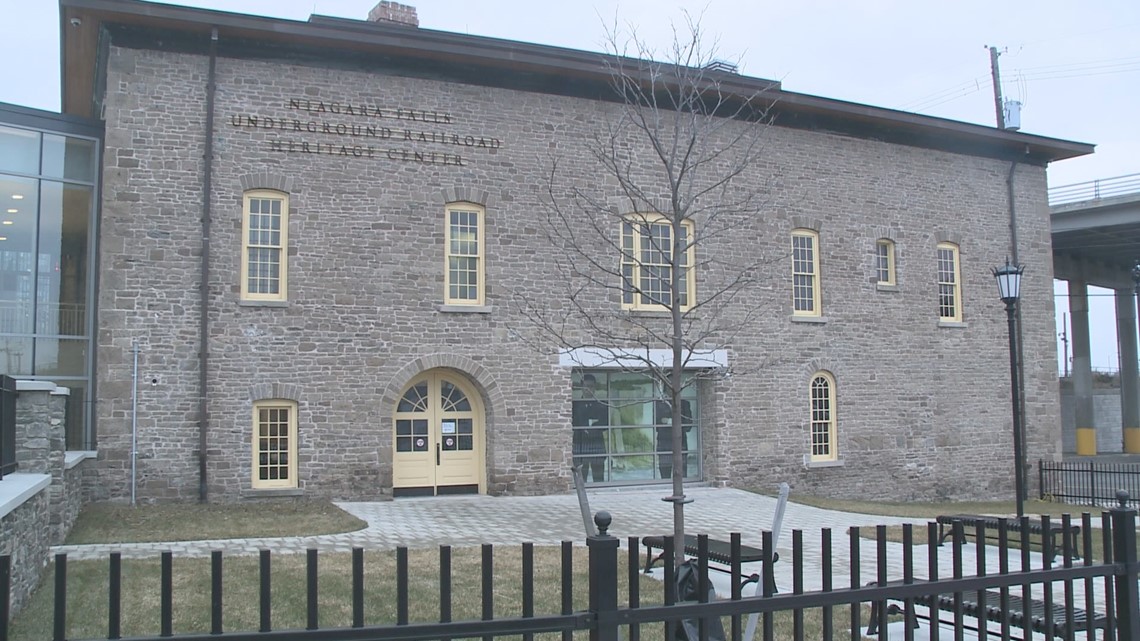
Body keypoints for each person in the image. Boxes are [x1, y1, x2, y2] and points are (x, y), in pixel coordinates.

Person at [572, 374, 608, 482]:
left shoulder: (601, 405)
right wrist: (583, 428)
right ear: (582, 387)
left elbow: (605, 423)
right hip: (581, 443)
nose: (589, 389)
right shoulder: (574, 405)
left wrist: (594, 427)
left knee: (599, 476)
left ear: (595, 388)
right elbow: (572, 422)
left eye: (591, 386)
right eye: (586, 386)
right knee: (581, 477)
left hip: (596, 442)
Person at [655, 398, 693, 480]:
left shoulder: (684, 404)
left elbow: (688, 426)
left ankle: (680, 490)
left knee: (682, 476)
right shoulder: (659, 404)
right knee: (665, 476)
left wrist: (670, 421)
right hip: (664, 444)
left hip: (680, 444)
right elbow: (656, 425)